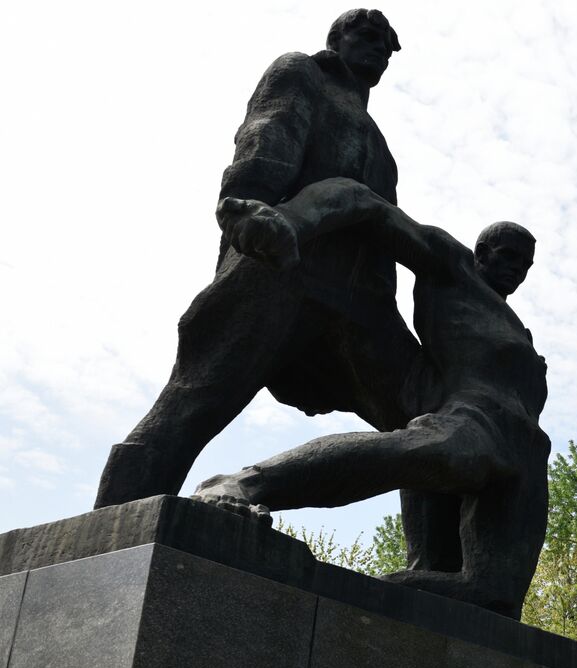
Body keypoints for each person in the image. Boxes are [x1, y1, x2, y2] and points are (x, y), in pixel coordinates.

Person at [96, 10, 421, 512]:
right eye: (367, 35)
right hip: (281, 262)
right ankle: (115, 527)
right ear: (336, 40)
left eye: (388, 43)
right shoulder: (301, 73)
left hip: (362, 301)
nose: (379, 47)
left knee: (421, 421)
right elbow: (270, 130)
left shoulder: (377, 140)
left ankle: (436, 571)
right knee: (199, 395)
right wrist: (249, 203)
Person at [190, 178, 549, 618]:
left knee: (494, 600)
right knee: (437, 454)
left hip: (527, 458)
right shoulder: (453, 269)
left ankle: (371, 605)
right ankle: (241, 484)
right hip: (473, 419)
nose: (518, 270)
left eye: (526, 265)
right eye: (509, 256)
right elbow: (365, 203)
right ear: (482, 253)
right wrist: (291, 220)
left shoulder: (518, 330)